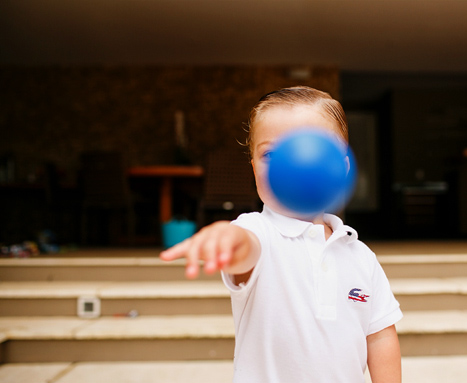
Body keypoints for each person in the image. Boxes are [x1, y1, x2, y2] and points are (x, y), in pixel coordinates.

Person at [160, 86, 402, 383]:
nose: (293, 167)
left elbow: (379, 337)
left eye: (312, 150)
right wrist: (226, 237)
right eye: (272, 154)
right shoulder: (257, 231)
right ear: (253, 169)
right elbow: (245, 249)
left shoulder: (361, 256)